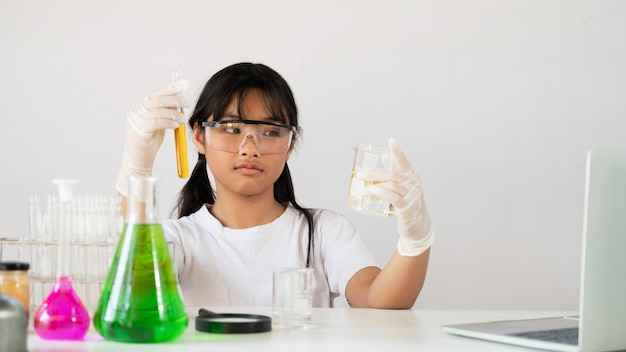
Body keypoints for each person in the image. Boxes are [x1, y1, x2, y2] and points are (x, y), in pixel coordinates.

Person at [115, 62, 435, 309]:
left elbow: (378, 303)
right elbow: (136, 284)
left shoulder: (323, 232)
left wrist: (415, 239)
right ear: (199, 136)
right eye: (231, 128)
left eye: (270, 132)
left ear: (290, 143)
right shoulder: (178, 239)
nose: (250, 147)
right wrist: (135, 172)